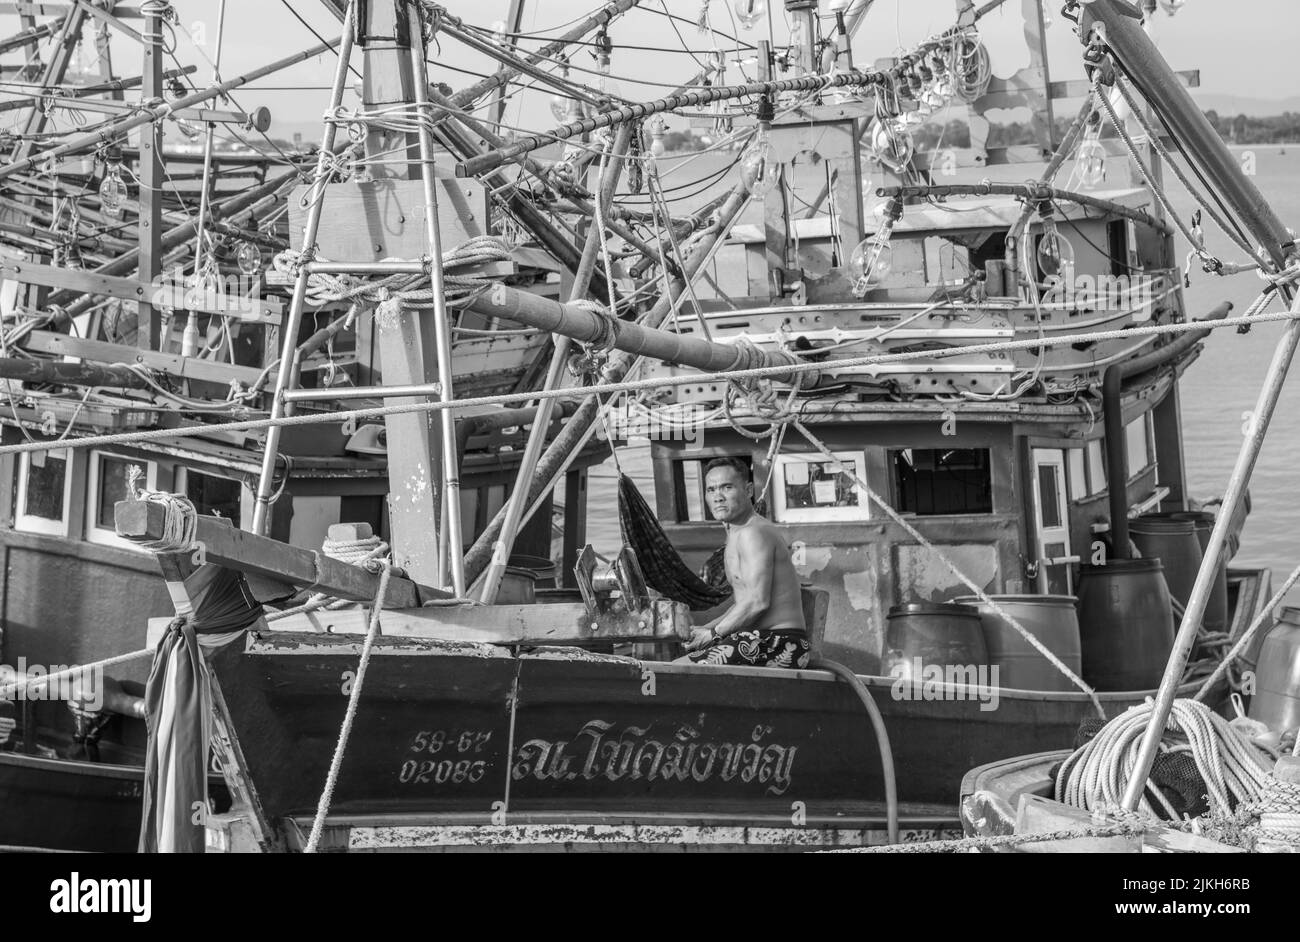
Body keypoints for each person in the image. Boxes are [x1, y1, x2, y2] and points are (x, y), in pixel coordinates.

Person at [679, 457, 810, 669]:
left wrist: (714, 633)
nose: (718, 497)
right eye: (711, 490)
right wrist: (705, 629)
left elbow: (758, 602)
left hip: (780, 643)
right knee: (679, 660)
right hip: (756, 639)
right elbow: (743, 604)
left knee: (678, 671)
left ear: (748, 490)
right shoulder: (735, 534)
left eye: (726, 487)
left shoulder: (753, 533)